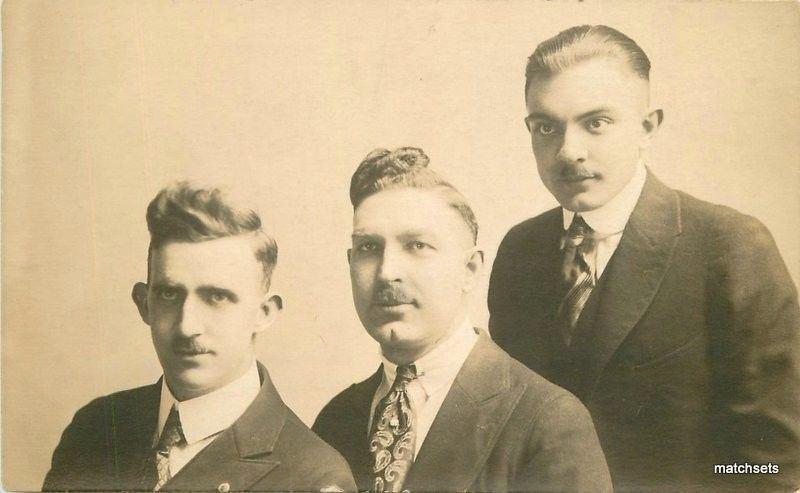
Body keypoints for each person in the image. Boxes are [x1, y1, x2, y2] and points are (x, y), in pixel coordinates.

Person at [488, 24, 800, 491]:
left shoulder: (729, 246)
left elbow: (772, 464)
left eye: (596, 122)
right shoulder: (520, 252)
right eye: (546, 127)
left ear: (646, 127)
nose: (568, 151)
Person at [313, 147, 611, 492]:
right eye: (368, 248)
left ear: (470, 269)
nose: (387, 272)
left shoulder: (546, 421)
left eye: (417, 246)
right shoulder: (336, 420)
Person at [43, 182, 355, 492]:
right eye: (168, 294)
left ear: (264, 313)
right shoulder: (96, 428)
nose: (186, 325)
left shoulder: (313, 477)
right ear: (144, 303)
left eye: (217, 297)